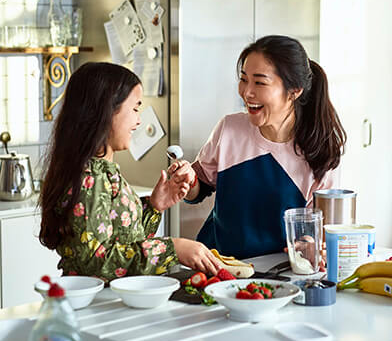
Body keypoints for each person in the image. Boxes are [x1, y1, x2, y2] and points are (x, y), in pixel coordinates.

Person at [39, 62, 221, 283]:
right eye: (135, 108)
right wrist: (172, 248)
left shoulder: (103, 172)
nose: (138, 120)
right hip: (97, 305)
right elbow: (97, 263)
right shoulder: (89, 179)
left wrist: (155, 206)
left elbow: (123, 244)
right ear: (105, 112)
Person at [171, 35, 346, 260]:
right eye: (244, 79)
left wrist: (311, 245)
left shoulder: (321, 150)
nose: (246, 92)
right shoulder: (230, 128)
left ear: (294, 91)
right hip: (218, 266)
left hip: (278, 272)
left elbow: (316, 230)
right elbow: (199, 187)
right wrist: (187, 180)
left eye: (260, 82)